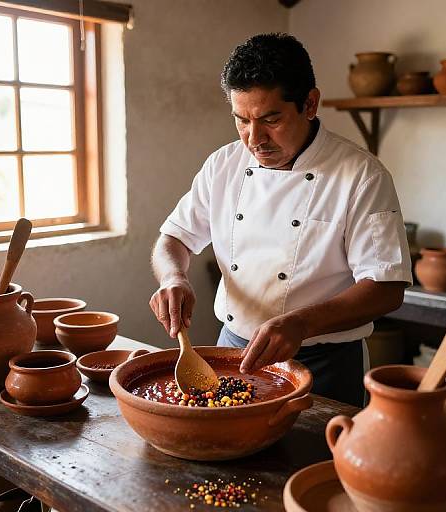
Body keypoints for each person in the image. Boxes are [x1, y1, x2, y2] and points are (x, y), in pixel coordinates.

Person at [149, 33, 412, 407]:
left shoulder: (361, 175)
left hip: (326, 363)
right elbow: (172, 239)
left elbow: (387, 286)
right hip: (233, 349)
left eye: (270, 119)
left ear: (310, 104)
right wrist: (173, 276)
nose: (254, 138)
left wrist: (301, 323)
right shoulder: (223, 165)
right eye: (241, 120)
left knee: (316, 463)